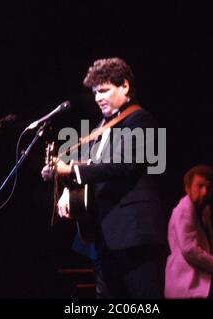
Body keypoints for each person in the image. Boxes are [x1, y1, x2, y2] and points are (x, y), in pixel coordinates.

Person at [41, 57, 166, 298]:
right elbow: (86, 165)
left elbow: (122, 164)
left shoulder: (141, 120)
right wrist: (63, 181)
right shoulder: (103, 126)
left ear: (125, 86)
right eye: (95, 92)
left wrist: (72, 170)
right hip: (102, 236)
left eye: (104, 90)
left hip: (135, 234)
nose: (98, 97)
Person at [164, 165, 213, 298]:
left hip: (197, 286)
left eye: (209, 188)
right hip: (185, 287)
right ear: (187, 188)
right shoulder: (183, 210)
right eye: (200, 186)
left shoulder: (204, 211)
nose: (205, 192)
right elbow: (189, 249)